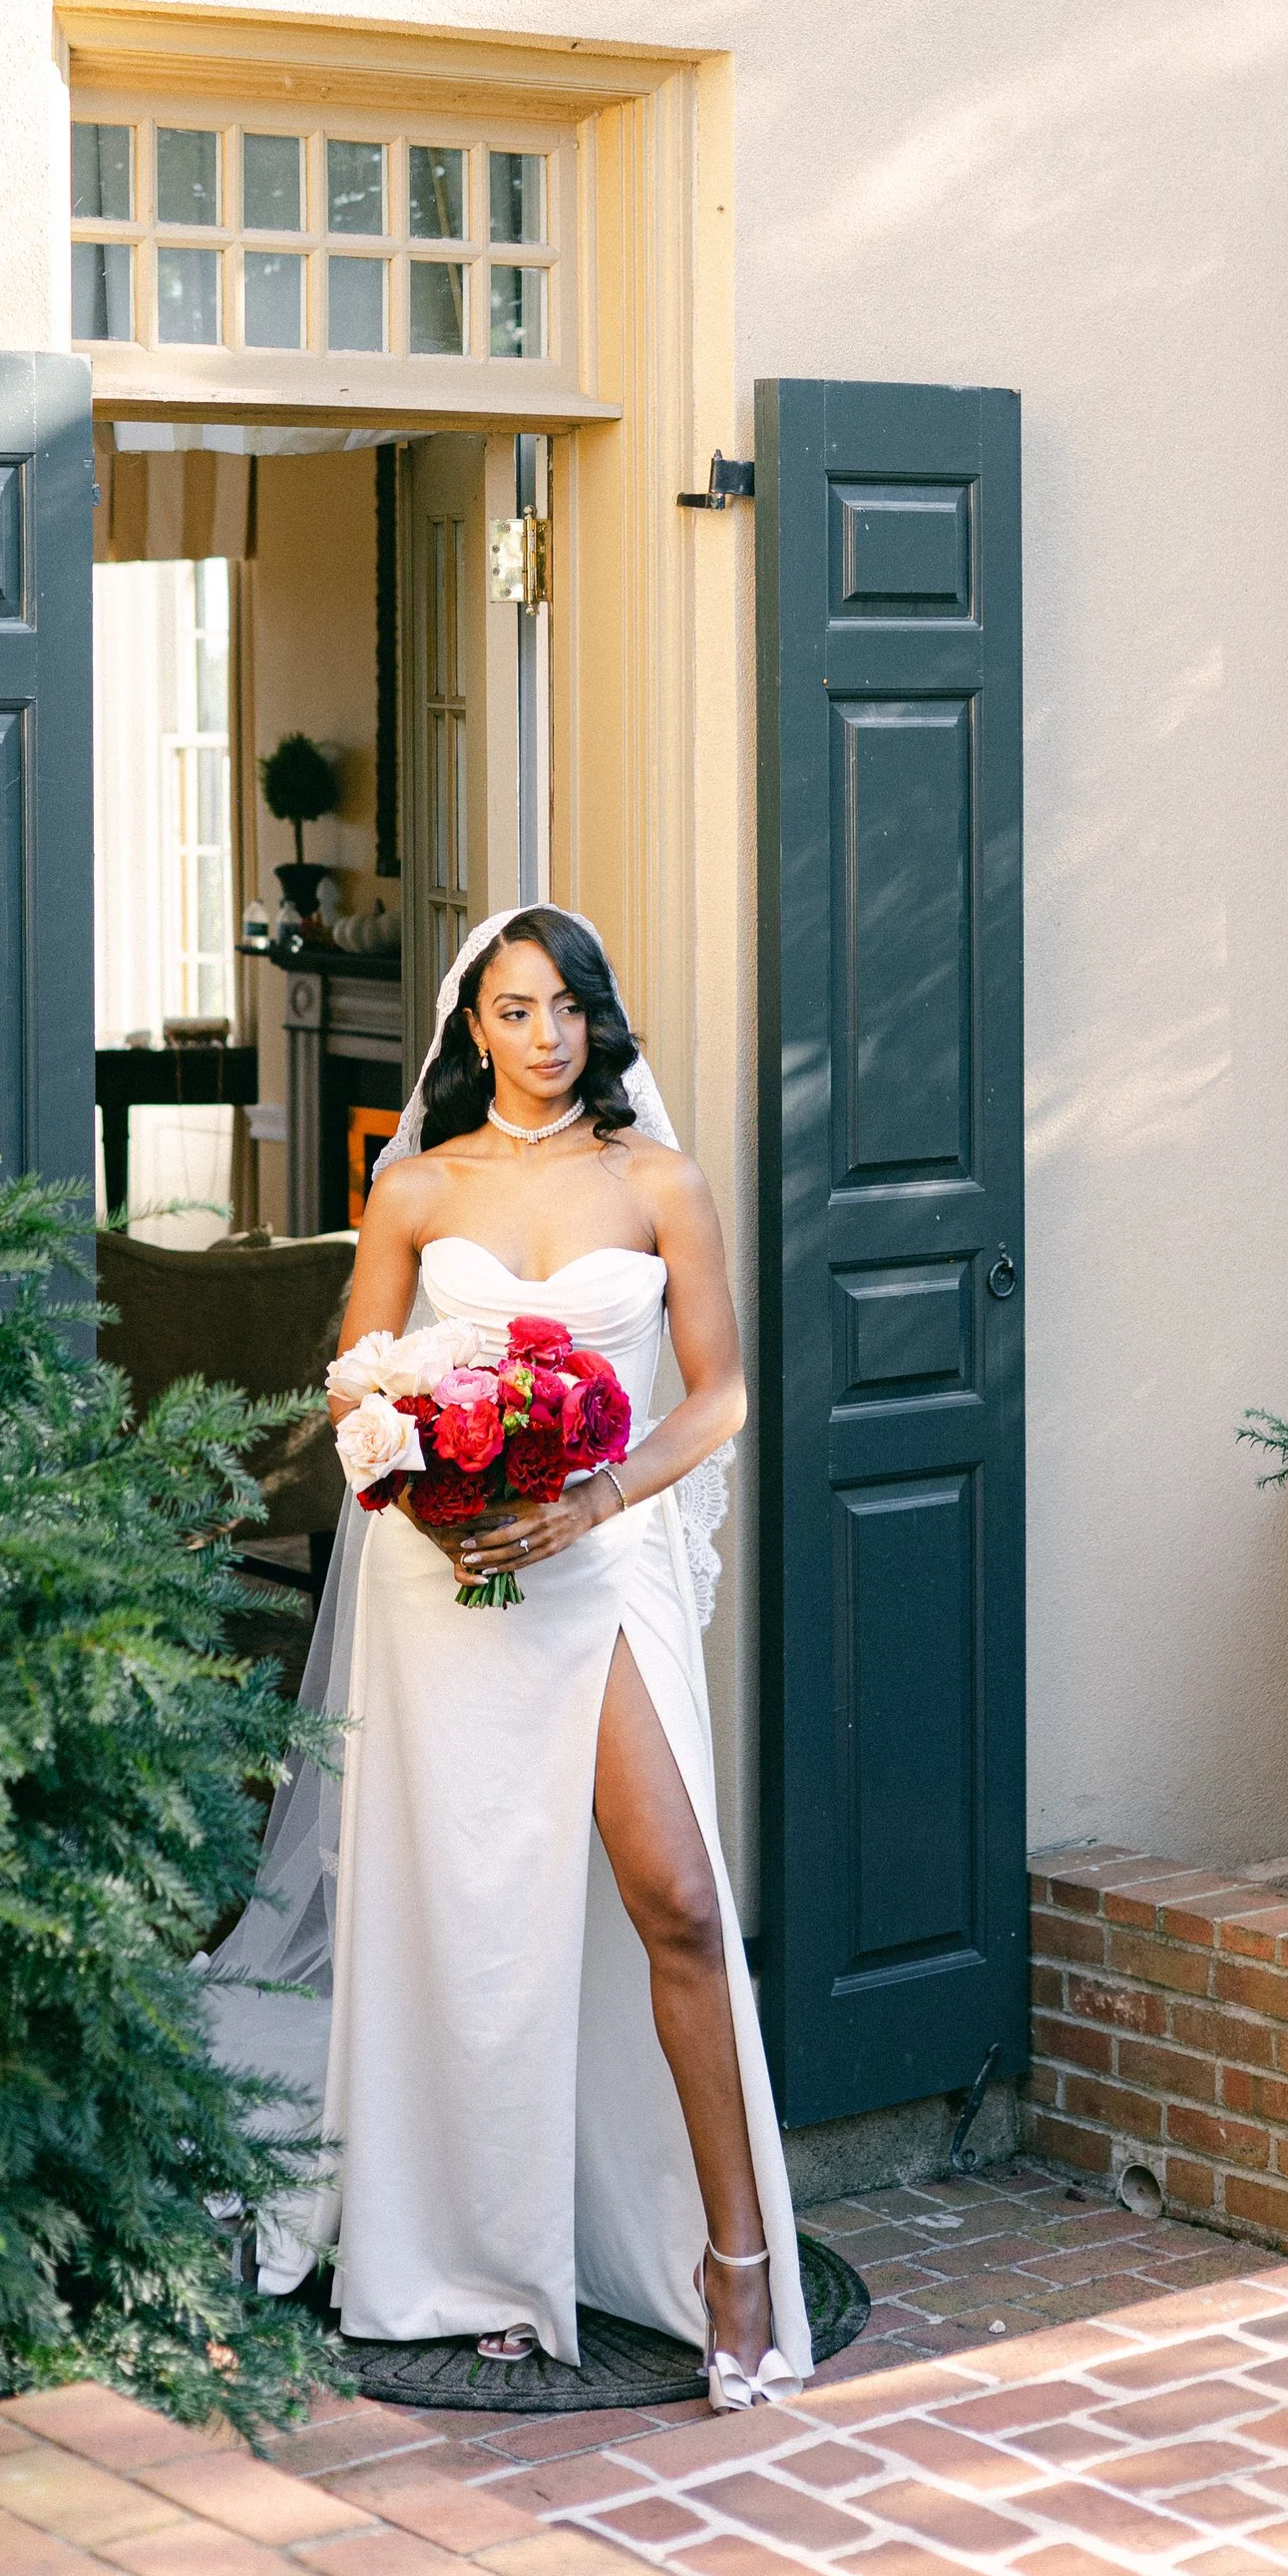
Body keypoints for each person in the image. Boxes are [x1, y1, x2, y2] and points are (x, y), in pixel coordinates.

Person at [205, 905, 809, 2408]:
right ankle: (475, 2247)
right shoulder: (411, 1189)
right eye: (515, 1010)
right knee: (470, 1913)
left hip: (600, 1566)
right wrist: (433, 1483)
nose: (544, 1037)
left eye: (567, 1009)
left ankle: (733, 2257)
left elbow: (721, 1395)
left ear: (598, 1021)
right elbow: (358, 1395)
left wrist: (588, 1497)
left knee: (671, 1890)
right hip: (447, 1578)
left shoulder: (657, 1178)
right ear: (471, 1028)